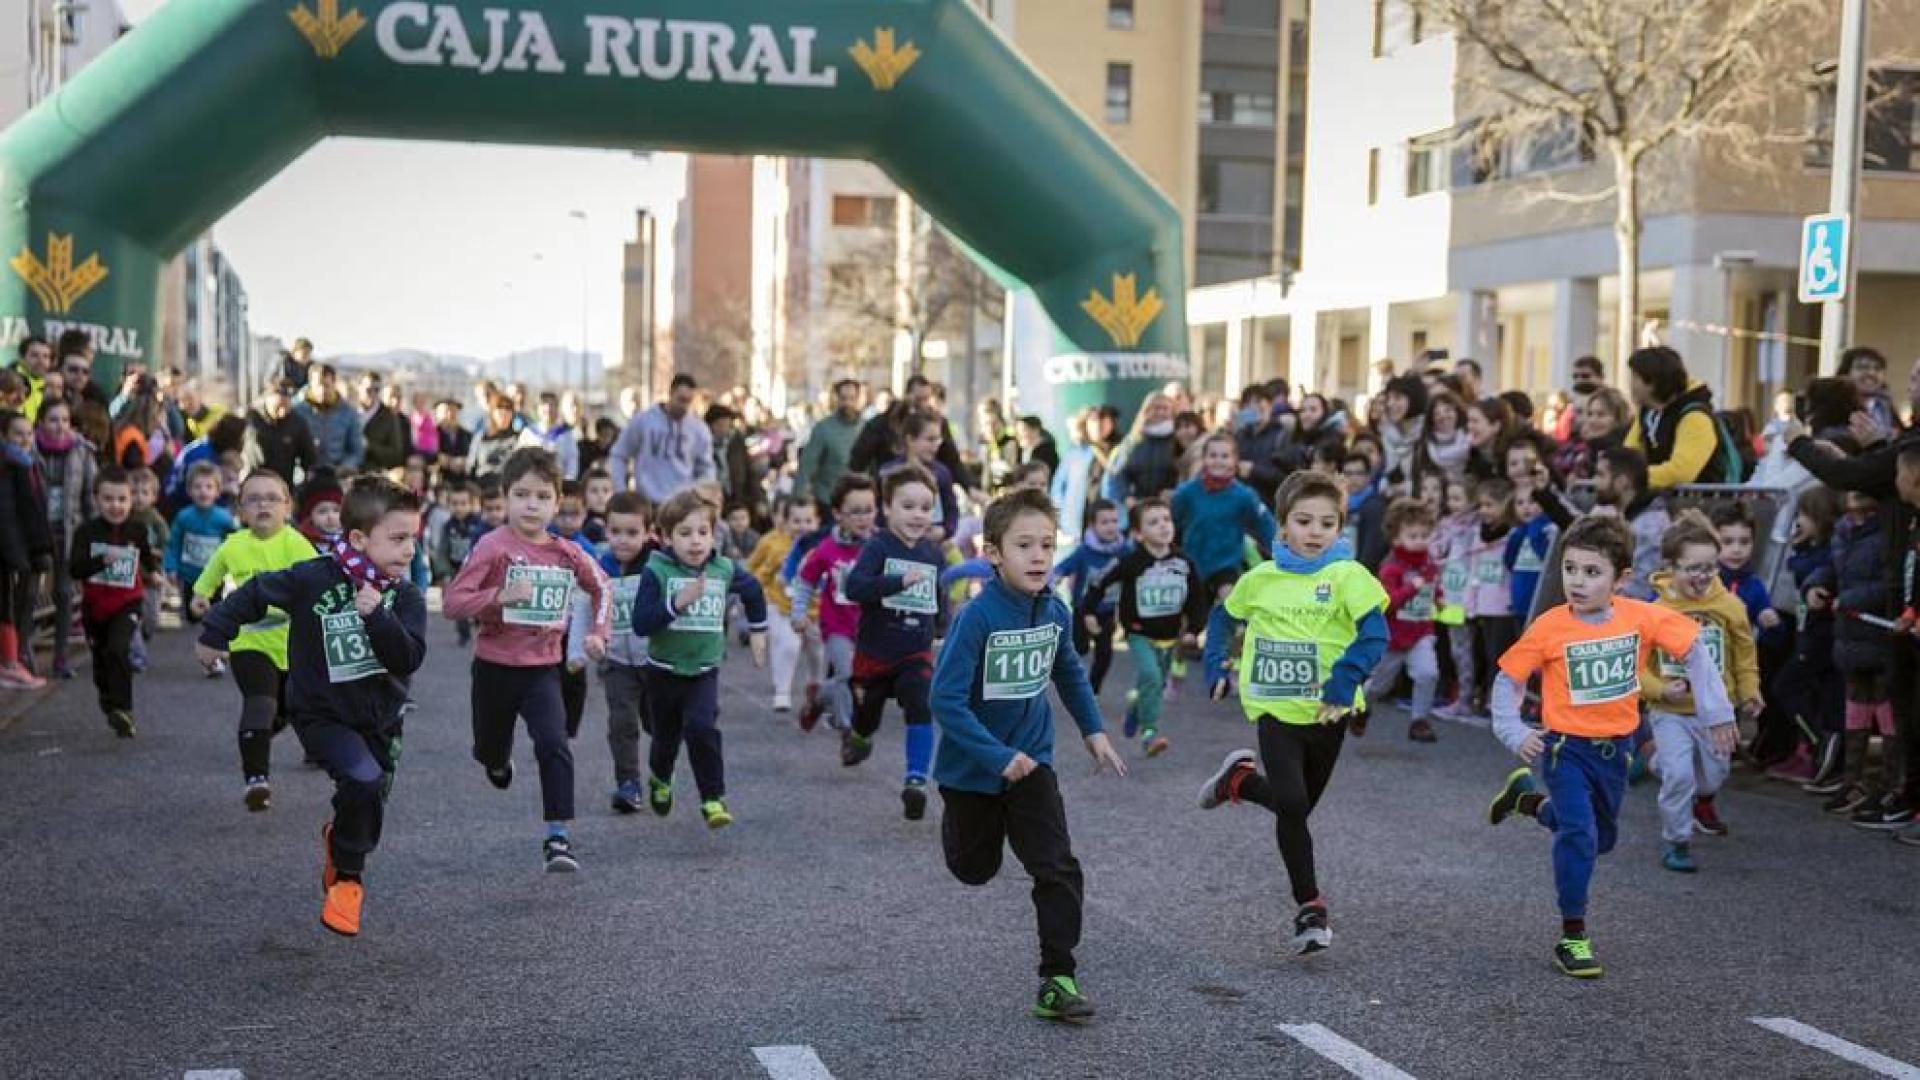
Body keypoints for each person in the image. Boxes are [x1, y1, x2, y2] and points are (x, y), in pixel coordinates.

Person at [1485, 515, 1732, 979]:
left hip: (1616, 751)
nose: (1577, 582)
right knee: (1579, 837)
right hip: (1564, 749)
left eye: (1592, 572)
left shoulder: (1641, 615)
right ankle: (1572, 935)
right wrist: (1514, 732)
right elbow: (1508, 681)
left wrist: (1717, 712)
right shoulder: (1550, 625)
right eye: (1571, 569)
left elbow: (1695, 648)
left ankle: (1528, 802)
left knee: (1601, 839)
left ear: (1621, 578)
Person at [197, 477, 426, 937]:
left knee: (369, 793)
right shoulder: (313, 576)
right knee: (364, 779)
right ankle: (347, 881)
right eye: (398, 539)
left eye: (414, 540)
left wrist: (376, 616)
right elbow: (257, 591)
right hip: (322, 714)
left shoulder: (405, 596)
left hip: (382, 717)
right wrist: (214, 633)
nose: (409, 552)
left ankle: (339, 841)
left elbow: (408, 657)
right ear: (359, 539)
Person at [930, 487, 1125, 1022]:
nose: (1039, 555)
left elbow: (1066, 671)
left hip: (1032, 763)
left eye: (1046, 544)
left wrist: (1094, 730)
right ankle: (960, 828)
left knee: (1056, 865)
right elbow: (944, 701)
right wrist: (994, 757)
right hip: (972, 771)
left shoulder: (1054, 610)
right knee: (975, 868)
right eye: (1024, 545)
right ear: (993, 552)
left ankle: (1057, 976)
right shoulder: (976, 618)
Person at [1196, 471, 1388, 956]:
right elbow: (1223, 617)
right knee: (1295, 805)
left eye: (1327, 522)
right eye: (1304, 520)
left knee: (1297, 804)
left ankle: (1238, 781)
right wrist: (1215, 662)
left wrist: (1346, 680)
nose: (1315, 530)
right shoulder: (1260, 578)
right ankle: (1310, 908)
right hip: (1276, 710)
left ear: (1339, 528)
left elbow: (1374, 635)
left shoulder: (1349, 576)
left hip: (1330, 713)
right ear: (1282, 526)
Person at [442, 448, 611, 873]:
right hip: (494, 667)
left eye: (541, 496)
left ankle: (558, 837)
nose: (531, 505)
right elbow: (452, 602)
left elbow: (602, 588)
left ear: (557, 502)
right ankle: (497, 760)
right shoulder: (492, 546)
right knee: (488, 751)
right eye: (521, 495)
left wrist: (597, 633)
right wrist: (498, 597)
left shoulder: (568, 553)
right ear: (505, 497)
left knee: (554, 744)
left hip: (542, 670)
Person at [626, 488, 768, 828]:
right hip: (663, 671)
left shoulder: (722, 568)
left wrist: (759, 631)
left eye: (703, 532)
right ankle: (661, 777)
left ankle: (712, 798)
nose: (695, 542)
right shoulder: (656, 571)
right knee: (665, 738)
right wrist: (677, 603)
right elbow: (641, 623)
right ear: (665, 537)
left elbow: (752, 590)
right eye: (685, 533)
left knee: (702, 728)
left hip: (703, 671)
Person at [189, 470, 318, 810]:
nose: (263, 504)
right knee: (260, 701)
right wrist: (200, 596)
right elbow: (209, 577)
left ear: (287, 507)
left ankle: (258, 736)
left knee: (287, 709)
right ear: (241, 510)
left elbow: (320, 584)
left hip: (294, 645)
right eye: (254, 499)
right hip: (249, 641)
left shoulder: (297, 544)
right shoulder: (233, 545)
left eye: (272, 498)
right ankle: (256, 779)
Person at [1640, 515, 1757, 873]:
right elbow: (1636, 666)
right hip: (1670, 711)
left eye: (1710, 567)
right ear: (1671, 567)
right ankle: (1677, 841)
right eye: (1693, 568)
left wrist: (1750, 691)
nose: (1703, 576)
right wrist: (1660, 688)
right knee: (1679, 776)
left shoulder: (1730, 606)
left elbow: (1744, 654)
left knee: (1712, 775)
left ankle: (1684, 784)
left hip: (1715, 714)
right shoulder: (1654, 612)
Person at [839, 466, 946, 818]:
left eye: (925, 507)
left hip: (915, 650)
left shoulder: (933, 552)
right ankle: (859, 736)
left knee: (920, 702)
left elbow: (937, 593)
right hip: (875, 654)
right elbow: (854, 588)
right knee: (867, 715)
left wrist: (943, 627)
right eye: (908, 506)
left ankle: (916, 782)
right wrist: (896, 582)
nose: (918, 515)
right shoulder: (878, 546)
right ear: (888, 508)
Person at [1084, 497, 1206, 756]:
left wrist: (1194, 630)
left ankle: (1136, 708)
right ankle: (1149, 733)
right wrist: (1088, 610)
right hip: (1139, 633)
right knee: (1150, 676)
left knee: (1156, 684)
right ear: (1139, 534)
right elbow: (1099, 582)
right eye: (1153, 522)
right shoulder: (1131, 561)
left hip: (1170, 636)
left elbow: (1197, 598)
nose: (1163, 526)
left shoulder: (1183, 562)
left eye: (1166, 520)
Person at [68, 466, 159, 737]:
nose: (116, 506)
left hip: (127, 602)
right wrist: (100, 561)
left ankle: (124, 709)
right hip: (95, 607)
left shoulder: (137, 529)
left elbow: (145, 556)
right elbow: (75, 569)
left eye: (122, 500)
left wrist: (153, 574)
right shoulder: (87, 532)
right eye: (108, 499)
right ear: (97, 499)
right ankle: (110, 705)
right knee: (101, 661)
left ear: (131, 500)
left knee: (119, 650)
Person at [791, 475, 877, 734]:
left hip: (869, 626)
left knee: (864, 679)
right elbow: (805, 580)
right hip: (837, 625)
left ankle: (819, 698)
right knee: (846, 674)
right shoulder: (827, 549)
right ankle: (846, 727)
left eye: (869, 511)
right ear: (838, 514)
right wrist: (799, 612)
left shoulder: (880, 545)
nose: (863, 518)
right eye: (855, 512)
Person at [590, 491, 654, 814]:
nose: (623, 541)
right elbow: (586, 605)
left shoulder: (657, 566)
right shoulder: (601, 568)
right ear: (606, 531)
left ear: (648, 533)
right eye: (616, 532)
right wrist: (589, 642)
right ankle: (629, 783)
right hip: (617, 661)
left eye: (632, 533)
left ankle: (661, 773)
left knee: (657, 724)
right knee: (621, 722)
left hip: (655, 660)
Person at [1359, 498, 1443, 743]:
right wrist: (1411, 588)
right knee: (1379, 685)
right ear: (1396, 538)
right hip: (1393, 637)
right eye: (1413, 535)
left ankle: (1419, 721)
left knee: (1428, 673)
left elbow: (1434, 589)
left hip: (1421, 632)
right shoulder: (1391, 568)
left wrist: (1440, 600)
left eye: (1424, 535)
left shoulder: (1429, 565)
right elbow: (1387, 602)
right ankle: (1361, 707)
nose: (1420, 541)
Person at [33, 396, 95, 680]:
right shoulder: (30, 450)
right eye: (53, 420)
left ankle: (61, 657)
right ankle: (22, 654)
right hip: (36, 533)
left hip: (69, 531)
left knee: (64, 594)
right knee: (30, 594)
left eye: (65, 420)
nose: (59, 426)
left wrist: (93, 533)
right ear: (41, 422)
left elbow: (90, 496)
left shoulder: (81, 451)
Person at [1624, 346, 1734, 488]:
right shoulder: (1648, 413)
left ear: (1652, 383)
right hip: (1661, 499)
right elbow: (1628, 454)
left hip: (1700, 504)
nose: (1630, 385)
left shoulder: (1695, 418)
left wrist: (1629, 479)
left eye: (1634, 378)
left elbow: (1681, 472)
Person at [751, 497, 821, 714]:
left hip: (816, 610)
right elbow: (754, 569)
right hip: (781, 605)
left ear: (817, 522)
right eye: (796, 521)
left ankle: (816, 684)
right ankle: (782, 692)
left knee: (818, 653)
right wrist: (755, 591)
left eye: (808, 521)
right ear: (785, 522)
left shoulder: (823, 545)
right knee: (788, 646)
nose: (802, 526)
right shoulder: (773, 543)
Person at [1053, 499, 1127, 697]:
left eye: (1114, 521)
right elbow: (1063, 568)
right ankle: (1069, 677)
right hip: (1082, 608)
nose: (1111, 526)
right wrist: (1053, 579)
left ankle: (1091, 691)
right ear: (1093, 526)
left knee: (1104, 653)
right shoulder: (1084, 552)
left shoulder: (1124, 551)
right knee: (1080, 647)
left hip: (1107, 610)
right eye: (1105, 522)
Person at [609, 373, 714, 503]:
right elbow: (619, 454)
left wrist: (700, 494)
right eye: (681, 400)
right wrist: (621, 491)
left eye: (688, 401)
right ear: (670, 394)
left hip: (682, 504)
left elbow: (706, 467)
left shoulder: (698, 429)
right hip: (648, 500)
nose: (684, 406)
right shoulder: (644, 421)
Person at [164, 462, 238, 625]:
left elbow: (234, 543)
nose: (203, 491)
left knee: (215, 615)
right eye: (197, 487)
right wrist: (171, 567)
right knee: (193, 616)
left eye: (208, 486)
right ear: (189, 491)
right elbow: (173, 543)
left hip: (215, 577)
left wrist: (236, 565)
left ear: (218, 491)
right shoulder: (184, 517)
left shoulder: (224, 519)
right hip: (190, 576)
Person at [795, 379, 864, 510]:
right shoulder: (823, 429)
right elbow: (807, 465)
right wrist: (799, 499)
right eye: (844, 398)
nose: (848, 403)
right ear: (836, 399)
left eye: (852, 398)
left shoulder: (867, 429)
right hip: (828, 500)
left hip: (858, 502)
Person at [1103, 393, 1181, 504]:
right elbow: (1119, 473)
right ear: (1146, 411)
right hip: (1140, 505)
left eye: (1165, 408)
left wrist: (1175, 492)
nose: (1160, 412)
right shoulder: (1133, 439)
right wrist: (1127, 497)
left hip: (1171, 505)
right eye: (1156, 408)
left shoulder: (1178, 438)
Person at [245, 378, 317, 486]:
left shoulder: (297, 423)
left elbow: (309, 458)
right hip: (252, 481)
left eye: (287, 405)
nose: (283, 411)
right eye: (279, 406)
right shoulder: (250, 419)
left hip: (282, 484)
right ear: (268, 399)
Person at [1552, 387, 1632, 484]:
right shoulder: (1588, 453)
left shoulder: (1625, 453)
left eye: (1601, 415)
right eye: (1590, 414)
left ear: (1618, 419)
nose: (1592, 420)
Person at [294, 365, 365, 472]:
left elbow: (356, 451)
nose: (322, 390)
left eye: (326, 385)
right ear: (310, 384)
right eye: (318, 385)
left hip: (337, 473)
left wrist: (344, 468)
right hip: (304, 473)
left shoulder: (348, 413)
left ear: (334, 384)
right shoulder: (297, 411)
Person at [360, 377, 412, 474]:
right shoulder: (363, 415)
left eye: (399, 397)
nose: (395, 401)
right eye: (391, 396)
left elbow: (402, 453)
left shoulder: (404, 422)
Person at [466, 392, 523, 481]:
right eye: (499, 407)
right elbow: (470, 467)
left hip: (508, 486)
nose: (504, 412)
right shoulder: (481, 437)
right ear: (492, 412)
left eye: (508, 408)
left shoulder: (519, 438)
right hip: (482, 486)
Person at [1556, 356, 1607, 442]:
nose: (1579, 380)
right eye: (1575, 377)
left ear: (1601, 377)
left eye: (1585, 376)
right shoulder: (1572, 405)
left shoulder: (1611, 402)